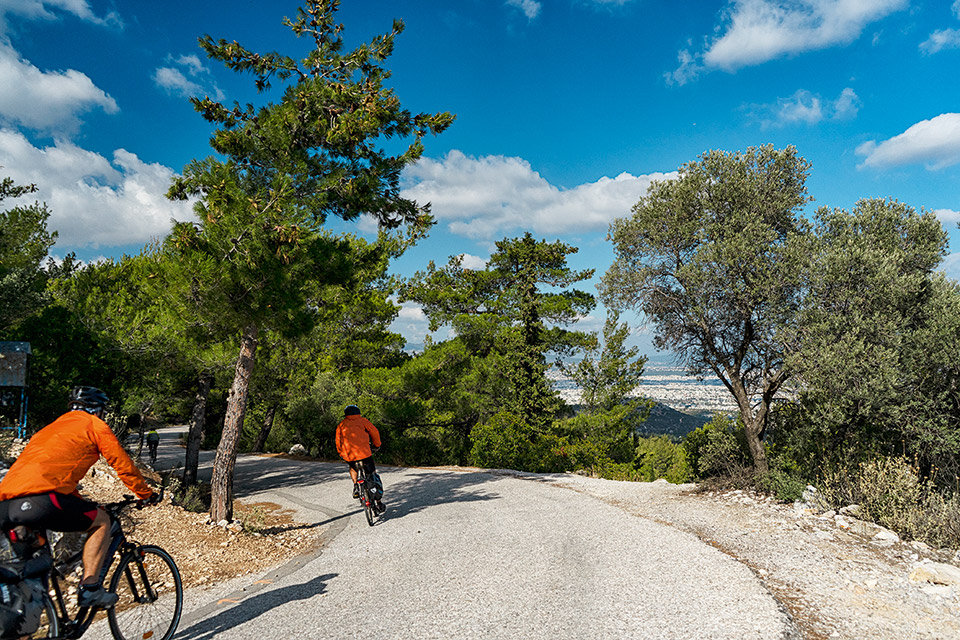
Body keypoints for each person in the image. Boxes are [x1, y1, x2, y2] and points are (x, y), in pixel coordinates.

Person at [0, 387, 158, 609]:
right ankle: (91, 589)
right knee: (102, 521)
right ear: (98, 410)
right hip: (40, 499)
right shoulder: (94, 425)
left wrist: (82, 502)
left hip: (5, 505)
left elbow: (57, 477)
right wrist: (146, 494)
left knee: (33, 577)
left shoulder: (51, 428)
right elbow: (122, 464)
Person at [335, 405, 384, 513]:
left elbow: (338, 440)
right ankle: (379, 502)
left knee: (353, 468)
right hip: (365, 454)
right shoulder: (363, 421)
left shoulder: (341, 425)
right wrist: (377, 445)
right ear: (358, 412)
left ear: (346, 414)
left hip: (350, 455)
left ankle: (356, 485)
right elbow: (374, 432)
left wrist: (341, 452)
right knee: (372, 474)